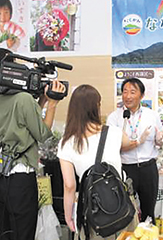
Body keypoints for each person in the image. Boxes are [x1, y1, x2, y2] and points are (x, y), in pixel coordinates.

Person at [0, 48, 65, 240]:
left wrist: (42, 102)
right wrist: (52, 103)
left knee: (5, 230)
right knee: (24, 231)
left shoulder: (12, 99)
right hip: (20, 178)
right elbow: (42, 135)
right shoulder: (23, 99)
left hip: (3, 173)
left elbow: (21, 120)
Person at [57, 84, 138, 239]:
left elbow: (69, 186)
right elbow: (128, 143)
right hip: (122, 203)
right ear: (97, 107)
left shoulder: (66, 143)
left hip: (94, 209)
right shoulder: (114, 132)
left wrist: (68, 216)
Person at [107, 78, 163, 224]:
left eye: (132, 92)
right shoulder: (114, 118)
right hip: (125, 168)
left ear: (142, 95)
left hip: (148, 168)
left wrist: (160, 140)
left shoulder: (152, 115)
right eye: (125, 92)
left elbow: (159, 143)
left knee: (148, 211)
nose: (127, 96)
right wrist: (137, 142)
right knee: (125, 210)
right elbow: (112, 146)